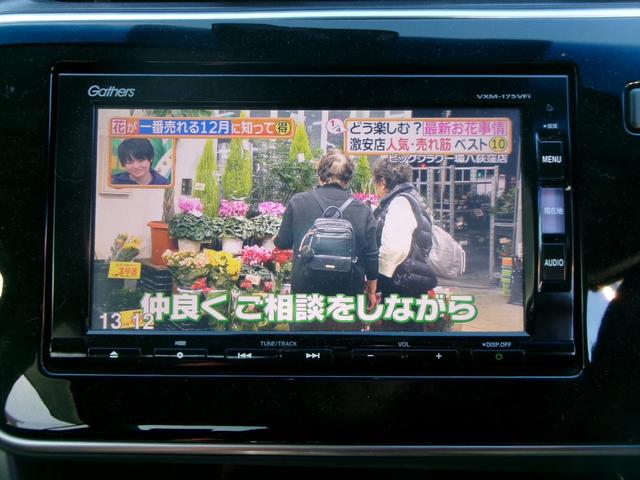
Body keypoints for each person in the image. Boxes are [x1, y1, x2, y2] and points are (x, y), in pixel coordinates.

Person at [274, 149, 379, 330]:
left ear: (320, 175)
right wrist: (371, 291)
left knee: (304, 340)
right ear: (348, 179)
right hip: (347, 293)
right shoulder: (363, 210)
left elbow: (282, 242)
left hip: (307, 289)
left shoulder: (299, 202)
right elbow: (371, 256)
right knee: (344, 340)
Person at [372, 157, 437, 330]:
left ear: (383, 182)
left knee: (399, 330)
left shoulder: (400, 202)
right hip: (413, 278)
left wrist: (379, 279)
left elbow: (393, 250)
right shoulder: (413, 197)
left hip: (401, 282)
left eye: (375, 183)